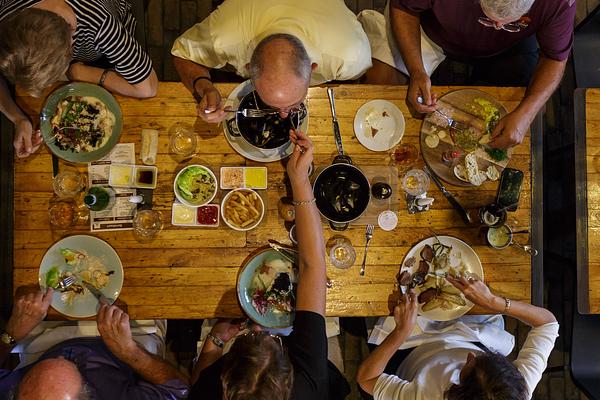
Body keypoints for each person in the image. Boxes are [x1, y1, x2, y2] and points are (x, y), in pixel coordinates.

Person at [188, 129, 348, 400]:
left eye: (249, 337)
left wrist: (215, 342)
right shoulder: (310, 386)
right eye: (272, 340)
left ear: (224, 378)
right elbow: (313, 266)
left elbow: (198, 384)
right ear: (289, 375)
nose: (259, 328)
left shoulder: (210, 390)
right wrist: (299, 180)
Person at [359, 0, 576, 149]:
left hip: (508, 48)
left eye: (509, 22)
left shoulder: (560, 3)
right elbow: (404, 8)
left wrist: (527, 113)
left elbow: (555, 57)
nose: (497, 26)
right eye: (490, 18)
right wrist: (416, 70)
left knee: (528, 114)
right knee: (383, 93)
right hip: (429, 31)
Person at [356, 275, 558, 399]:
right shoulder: (516, 390)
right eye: (482, 359)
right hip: (473, 331)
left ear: (456, 392)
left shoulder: (426, 396)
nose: (470, 356)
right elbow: (547, 323)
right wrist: (496, 303)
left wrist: (400, 333)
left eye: (467, 367)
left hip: (411, 346)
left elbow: (367, 379)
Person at [0, 0, 158, 158]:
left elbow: (148, 87)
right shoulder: (6, 23)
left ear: (71, 46)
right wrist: (18, 118)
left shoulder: (100, 22)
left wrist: (81, 73)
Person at [171, 0, 371, 123]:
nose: (284, 116)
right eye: (273, 105)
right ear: (249, 68)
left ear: (314, 68)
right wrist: (205, 88)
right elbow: (181, 52)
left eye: (293, 103)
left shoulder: (350, 56)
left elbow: (353, 84)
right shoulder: (224, 38)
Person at [0, 286, 189, 399]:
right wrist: (129, 351)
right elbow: (180, 388)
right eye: (69, 364)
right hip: (125, 342)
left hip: (44, 336)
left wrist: (11, 334)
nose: (65, 355)